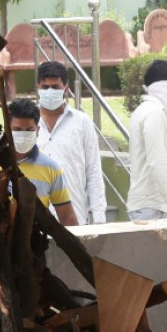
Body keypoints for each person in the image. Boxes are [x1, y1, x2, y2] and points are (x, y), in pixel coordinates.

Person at [35, 61, 108, 225]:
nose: (50, 91)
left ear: (65, 88)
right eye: (45, 87)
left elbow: (93, 171)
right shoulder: (25, 125)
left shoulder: (81, 123)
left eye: (55, 87)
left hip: (75, 219)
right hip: (34, 222)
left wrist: (99, 217)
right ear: (38, 87)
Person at [8, 99, 79, 227]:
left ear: (38, 130)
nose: (23, 135)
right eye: (17, 129)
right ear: (7, 129)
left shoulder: (51, 168)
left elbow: (67, 217)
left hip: (35, 244)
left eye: (29, 130)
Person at [127, 59, 167, 220]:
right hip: (151, 207)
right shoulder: (153, 113)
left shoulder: (151, 111)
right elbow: (156, 161)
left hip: (155, 205)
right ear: (163, 85)